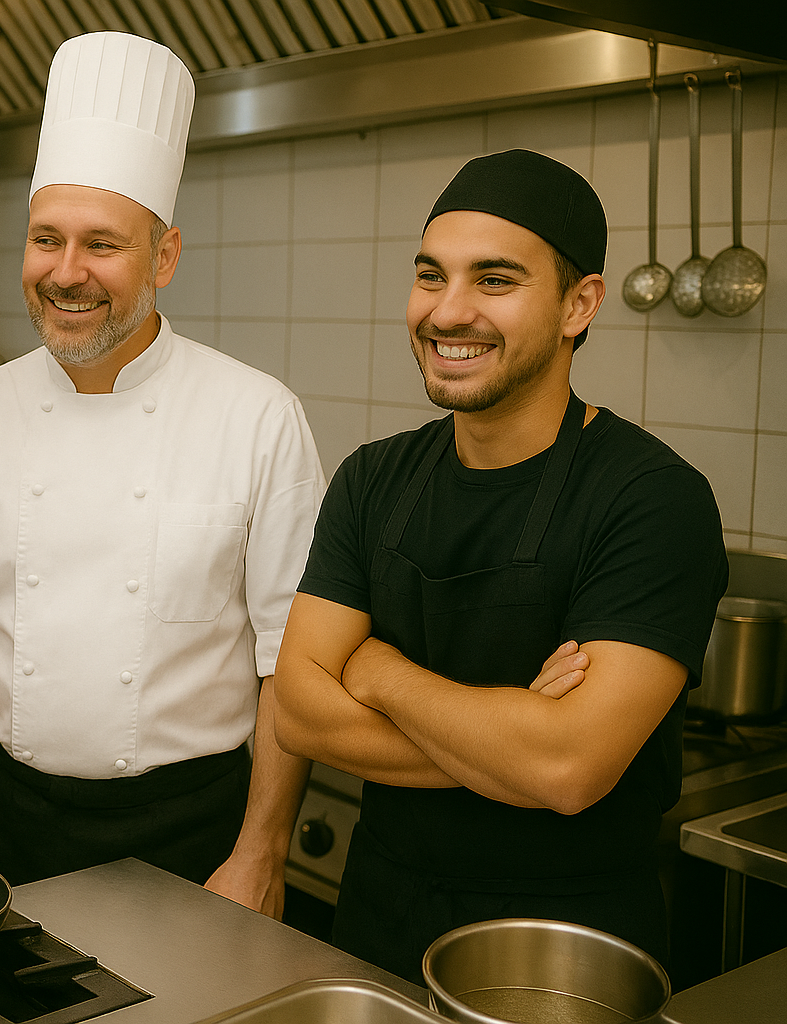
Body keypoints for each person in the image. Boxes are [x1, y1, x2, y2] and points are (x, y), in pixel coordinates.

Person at [0, 31, 325, 917]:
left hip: (192, 826)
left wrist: (262, 850)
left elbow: (290, 665)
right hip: (9, 820)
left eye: (102, 246)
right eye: (47, 240)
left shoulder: (257, 416)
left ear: (164, 258)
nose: (66, 273)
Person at [270, 149, 729, 982]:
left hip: (564, 952)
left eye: (494, 281)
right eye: (430, 275)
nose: (447, 313)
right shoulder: (373, 478)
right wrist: (514, 734)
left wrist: (377, 673)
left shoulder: (654, 500)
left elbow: (567, 768)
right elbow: (299, 714)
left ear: (577, 305)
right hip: (375, 922)